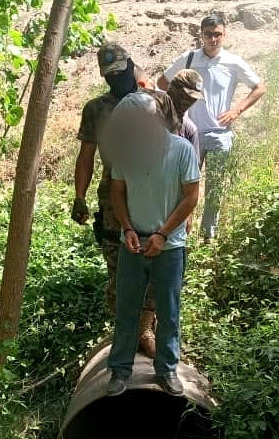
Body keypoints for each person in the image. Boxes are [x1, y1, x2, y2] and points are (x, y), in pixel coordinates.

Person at [105, 91, 200, 396]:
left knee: (169, 311)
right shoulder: (125, 153)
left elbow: (191, 197)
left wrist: (163, 234)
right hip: (132, 244)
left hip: (169, 248)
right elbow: (117, 193)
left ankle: (167, 370)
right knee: (126, 309)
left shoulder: (182, 149)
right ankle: (120, 371)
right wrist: (128, 228)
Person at [72, 43, 160, 357]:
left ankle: (147, 327)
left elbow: (179, 146)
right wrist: (79, 197)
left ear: (131, 66)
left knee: (152, 265)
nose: (116, 80)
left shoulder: (153, 103)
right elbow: (86, 157)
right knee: (119, 270)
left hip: (151, 198)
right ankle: (126, 329)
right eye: (110, 76)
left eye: (121, 72)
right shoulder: (97, 108)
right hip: (112, 202)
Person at [158, 14, 267, 242]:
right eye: (208, 34)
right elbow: (163, 82)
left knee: (215, 187)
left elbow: (258, 87)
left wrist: (236, 110)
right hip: (189, 133)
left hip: (219, 134)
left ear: (224, 34)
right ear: (201, 35)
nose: (213, 39)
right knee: (183, 184)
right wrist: (177, 111)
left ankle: (209, 237)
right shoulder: (188, 59)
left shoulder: (232, 61)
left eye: (217, 34)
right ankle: (179, 233)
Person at [166, 69, 203, 157]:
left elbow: (192, 168)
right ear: (174, 89)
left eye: (193, 99)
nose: (188, 102)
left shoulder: (189, 130)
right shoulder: (149, 113)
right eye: (185, 96)